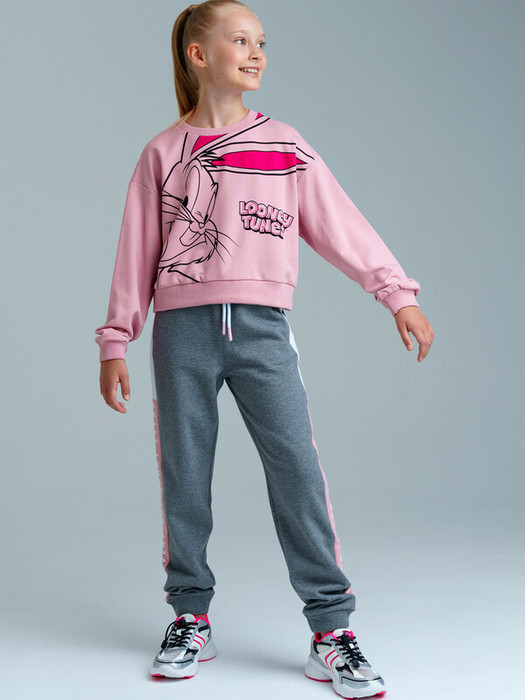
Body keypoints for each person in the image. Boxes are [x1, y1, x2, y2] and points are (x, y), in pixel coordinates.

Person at [95, 0, 434, 696]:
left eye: (261, 42)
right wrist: (116, 340)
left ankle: (330, 631)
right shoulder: (162, 152)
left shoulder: (284, 143)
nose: (257, 53)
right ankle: (190, 616)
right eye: (240, 40)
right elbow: (135, 251)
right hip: (181, 334)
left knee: (297, 474)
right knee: (185, 475)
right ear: (198, 55)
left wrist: (395, 292)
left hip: (262, 330)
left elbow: (340, 223)